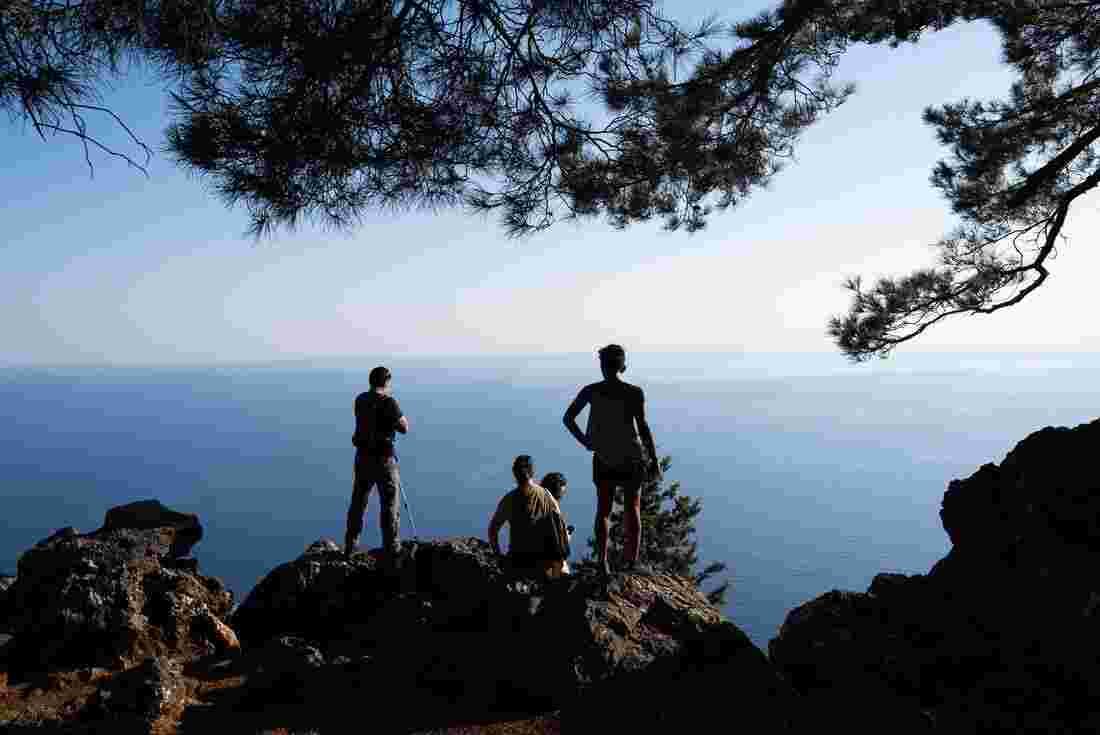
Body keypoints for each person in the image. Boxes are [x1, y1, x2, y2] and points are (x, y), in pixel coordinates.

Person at [563, 344, 660, 577]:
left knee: (603, 510)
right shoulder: (634, 392)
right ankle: (630, 562)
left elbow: (568, 418)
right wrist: (653, 458)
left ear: (602, 365)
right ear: (623, 366)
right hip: (632, 456)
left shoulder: (591, 391)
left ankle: (602, 562)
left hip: (604, 457)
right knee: (632, 508)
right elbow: (643, 427)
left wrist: (585, 441)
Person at [345, 366, 409, 566]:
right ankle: (392, 550)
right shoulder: (389, 402)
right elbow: (404, 427)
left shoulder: (360, 400)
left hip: (363, 457)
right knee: (389, 505)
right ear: (387, 382)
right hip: (384, 460)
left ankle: (351, 545)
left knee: (359, 501)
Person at [488, 456, 569, 580]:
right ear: (532, 472)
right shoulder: (547, 495)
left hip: (518, 561)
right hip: (543, 562)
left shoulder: (510, 499)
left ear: (514, 474)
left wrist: (498, 556)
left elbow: (493, 530)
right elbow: (560, 526)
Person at [541, 472, 574, 575]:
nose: (563, 494)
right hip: (552, 565)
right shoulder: (552, 509)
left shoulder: (539, 503)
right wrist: (566, 537)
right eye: (562, 491)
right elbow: (559, 546)